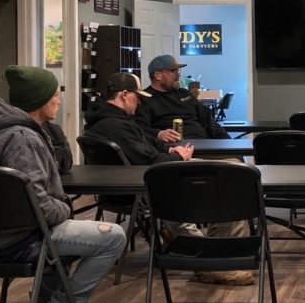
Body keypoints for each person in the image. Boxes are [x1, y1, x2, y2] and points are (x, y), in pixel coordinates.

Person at [0, 65, 126, 303]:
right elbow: (38, 206)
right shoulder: (23, 139)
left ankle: (46, 297)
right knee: (114, 236)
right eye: (55, 94)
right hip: (20, 242)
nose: (58, 100)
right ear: (40, 100)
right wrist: (65, 209)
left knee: (61, 223)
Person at [85, 72, 254, 286]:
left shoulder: (113, 121)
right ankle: (211, 262)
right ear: (124, 95)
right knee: (232, 178)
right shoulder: (115, 126)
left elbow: (149, 145)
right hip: (160, 181)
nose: (139, 102)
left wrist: (172, 149)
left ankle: (220, 256)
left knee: (233, 167)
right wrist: (176, 156)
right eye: (137, 97)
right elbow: (149, 159)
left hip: (157, 175)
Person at [135, 54, 230, 142]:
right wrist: (158, 134)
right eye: (172, 71)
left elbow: (209, 121)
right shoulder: (145, 98)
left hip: (204, 144)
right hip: (174, 149)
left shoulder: (185, 94)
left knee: (236, 158)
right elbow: (138, 128)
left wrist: (229, 142)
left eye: (178, 70)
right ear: (157, 75)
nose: (178, 75)